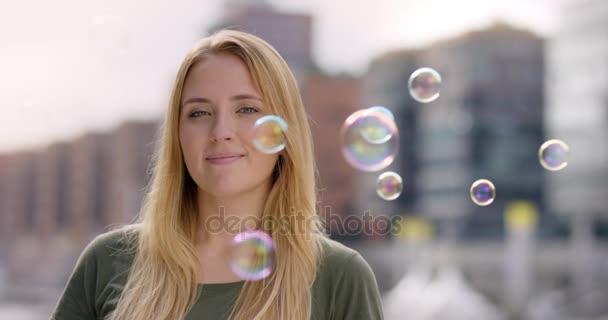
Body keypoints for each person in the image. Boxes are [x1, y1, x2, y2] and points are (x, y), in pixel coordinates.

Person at [50, 29, 384, 320]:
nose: (221, 130)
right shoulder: (108, 260)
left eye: (247, 109)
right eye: (198, 112)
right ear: (177, 135)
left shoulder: (341, 277)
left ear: (285, 133)